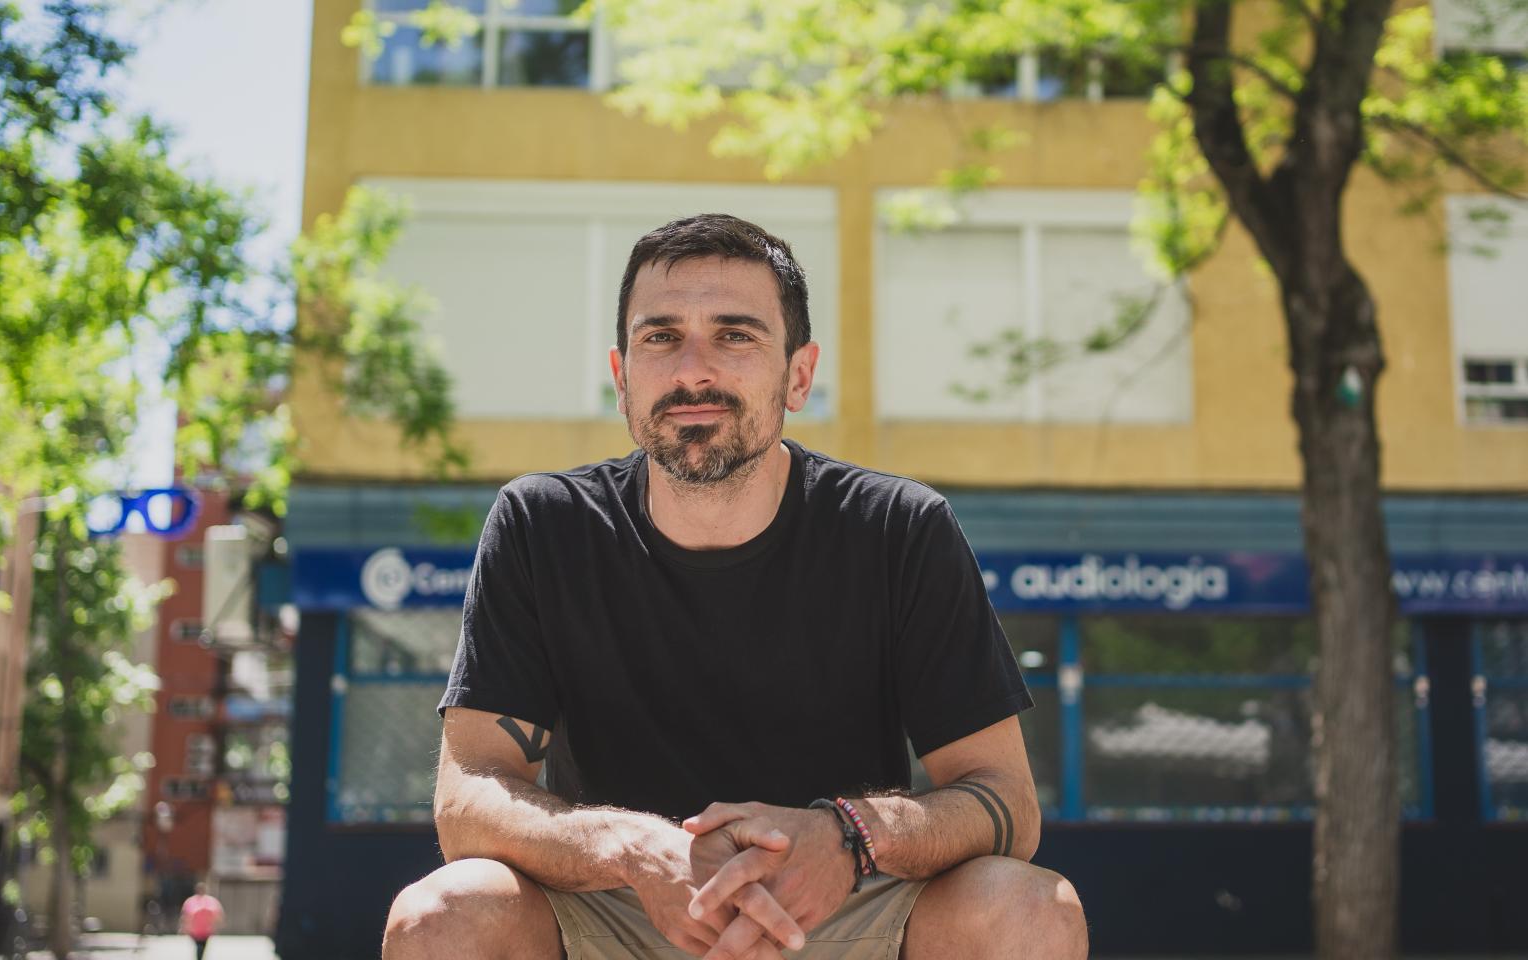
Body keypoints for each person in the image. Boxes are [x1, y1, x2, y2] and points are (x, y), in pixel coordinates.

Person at [382, 214, 1088, 960]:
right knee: (443, 915)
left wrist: (850, 836)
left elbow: (1007, 799)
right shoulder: (543, 523)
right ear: (622, 377)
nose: (694, 371)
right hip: (617, 908)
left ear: (800, 374)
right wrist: (628, 845)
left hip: (843, 907)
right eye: (660, 336)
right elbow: (469, 801)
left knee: (1030, 910)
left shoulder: (899, 528)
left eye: (735, 335)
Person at [180, 882, 223, 960]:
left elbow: (217, 915)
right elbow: (185, 916)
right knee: (199, 947)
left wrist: (217, 926)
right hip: (195, 930)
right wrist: (184, 927)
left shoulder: (211, 901)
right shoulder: (191, 901)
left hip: (206, 930)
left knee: (201, 947)